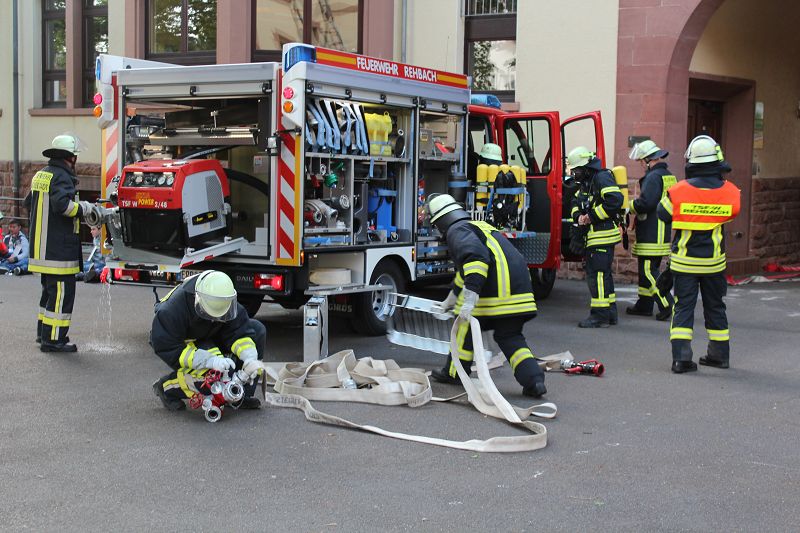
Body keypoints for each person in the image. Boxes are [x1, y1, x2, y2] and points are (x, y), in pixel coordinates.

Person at [426, 193, 547, 398]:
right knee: (510, 337)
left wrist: (469, 299)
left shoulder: (456, 231)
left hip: (496, 294)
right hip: (518, 293)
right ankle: (534, 380)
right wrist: (452, 298)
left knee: (463, 325)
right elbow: (465, 271)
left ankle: (455, 372)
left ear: (441, 221)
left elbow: (475, 260)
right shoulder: (478, 226)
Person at [657, 135, 740, 373]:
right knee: (716, 308)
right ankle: (719, 356)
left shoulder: (678, 191)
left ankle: (681, 359)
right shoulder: (731, 191)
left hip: (684, 263)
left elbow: (663, 214)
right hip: (714, 263)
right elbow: (730, 214)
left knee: (683, 308)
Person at [150, 270, 266, 411]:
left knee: (258, 329)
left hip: (210, 334)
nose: (215, 319)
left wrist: (249, 357)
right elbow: (168, 348)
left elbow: (238, 330)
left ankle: (240, 395)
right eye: (212, 315)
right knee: (213, 376)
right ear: (198, 299)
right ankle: (167, 387)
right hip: (188, 345)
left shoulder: (222, 296)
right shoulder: (171, 312)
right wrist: (210, 361)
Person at [25, 134, 96, 353]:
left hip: (41, 248)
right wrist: (85, 208)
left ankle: (43, 333)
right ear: (69, 157)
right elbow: (63, 207)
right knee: (62, 295)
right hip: (58, 250)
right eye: (74, 155)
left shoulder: (41, 175)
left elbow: (29, 203)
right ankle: (54, 340)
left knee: (49, 293)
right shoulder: (62, 176)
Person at [567, 147, 624, 328]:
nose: (574, 174)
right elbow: (575, 202)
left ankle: (599, 316)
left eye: (576, 170)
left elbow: (615, 200)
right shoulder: (587, 182)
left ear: (585, 167)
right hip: (595, 236)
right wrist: (578, 217)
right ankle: (610, 313)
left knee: (597, 276)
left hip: (602, 235)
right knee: (603, 276)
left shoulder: (601, 177)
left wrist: (591, 216)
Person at [626, 140, 676, 320]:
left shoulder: (654, 177)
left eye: (641, 161)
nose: (640, 164)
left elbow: (646, 203)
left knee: (648, 271)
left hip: (651, 231)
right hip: (661, 229)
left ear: (649, 160)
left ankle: (665, 303)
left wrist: (629, 206)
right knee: (647, 268)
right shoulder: (667, 175)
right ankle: (644, 304)